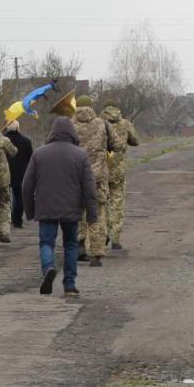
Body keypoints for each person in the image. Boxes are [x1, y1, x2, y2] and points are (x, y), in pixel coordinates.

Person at [22, 115, 97, 298]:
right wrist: (91, 213)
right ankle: (70, 285)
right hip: (71, 208)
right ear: (72, 132)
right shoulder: (80, 155)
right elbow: (89, 187)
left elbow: (27, 185)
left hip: (45, 206)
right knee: (71, 244)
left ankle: (48, 268)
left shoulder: (39, 154)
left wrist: (30, 210)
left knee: (47, 242)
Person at [70, 96, 119, 265]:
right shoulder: (102, 124)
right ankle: (96, 254)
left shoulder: (69, 125)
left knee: (77, 213)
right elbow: (117, 145)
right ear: (91, 106)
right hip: (97, 178)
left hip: (75, 177)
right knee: (97, 214)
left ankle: (78, 247)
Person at [102, 103, 140, 249]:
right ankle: (115, 239)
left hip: (102, 169)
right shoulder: (125, 124)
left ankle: (103, 234)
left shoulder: (99, 123)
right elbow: (135, 141)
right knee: (117, 204)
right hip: (119, 170)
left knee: (102, 203)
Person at [6, 120, 34, 229]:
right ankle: (17, 220)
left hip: (5, 173)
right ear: (18, 128)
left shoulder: (3, 140)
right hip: (21, 173)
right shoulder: (26, 141)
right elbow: (31, 158)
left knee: (4, 199)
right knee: (19, 198)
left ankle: (7, 220)